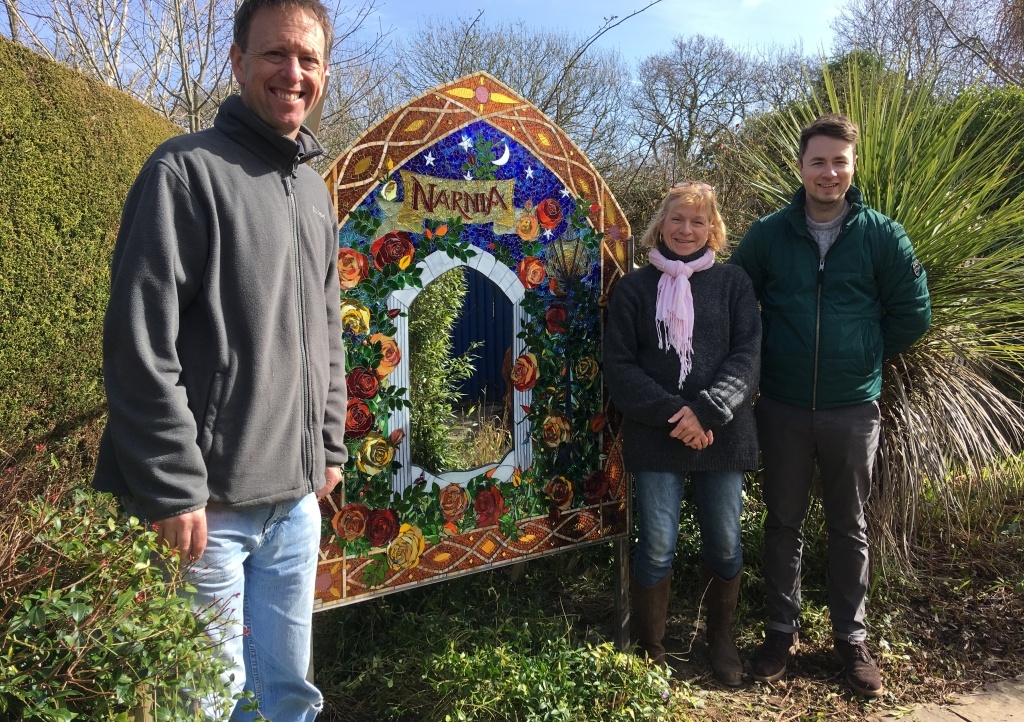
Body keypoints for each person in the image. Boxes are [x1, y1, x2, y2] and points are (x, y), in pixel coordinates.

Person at [92, 0, 346, 718]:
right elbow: (140, 343)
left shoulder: (316, 194)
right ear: (237, 61)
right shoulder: (184, 172)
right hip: (212, 508)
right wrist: (171, 484)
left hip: (296, 503)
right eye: (274, 54)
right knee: (202, 700)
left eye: (308, 59)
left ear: (324, 72)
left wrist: (328, 447)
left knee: (288, 691)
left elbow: (326, 333)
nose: (291, 73)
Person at [729, 114, 931, 698]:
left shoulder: (883, 236)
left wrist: (862, 355)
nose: (829, 172)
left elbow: (912, 315)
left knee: (849, 525)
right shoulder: (769, 234)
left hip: (852, 409)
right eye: (818, 161)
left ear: (853, 166)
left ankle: (851, 640)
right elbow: (739, 303)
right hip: (783, 406)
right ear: (801, 166)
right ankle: (779, 634)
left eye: (839, 161)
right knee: (783, 523)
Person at [604, 182, 761, 687]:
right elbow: (621, 368)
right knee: (656, 546)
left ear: (712, 228)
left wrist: (708, 412)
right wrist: (680, 416)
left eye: (698, 221)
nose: (686, 229)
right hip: (657, 437)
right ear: (660, 223)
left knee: (724, 541)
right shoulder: (633, 289)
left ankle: (721, 640)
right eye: (677, 219)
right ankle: (652, 649)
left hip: (723, 435)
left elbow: (747, 358)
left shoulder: (734, 283)